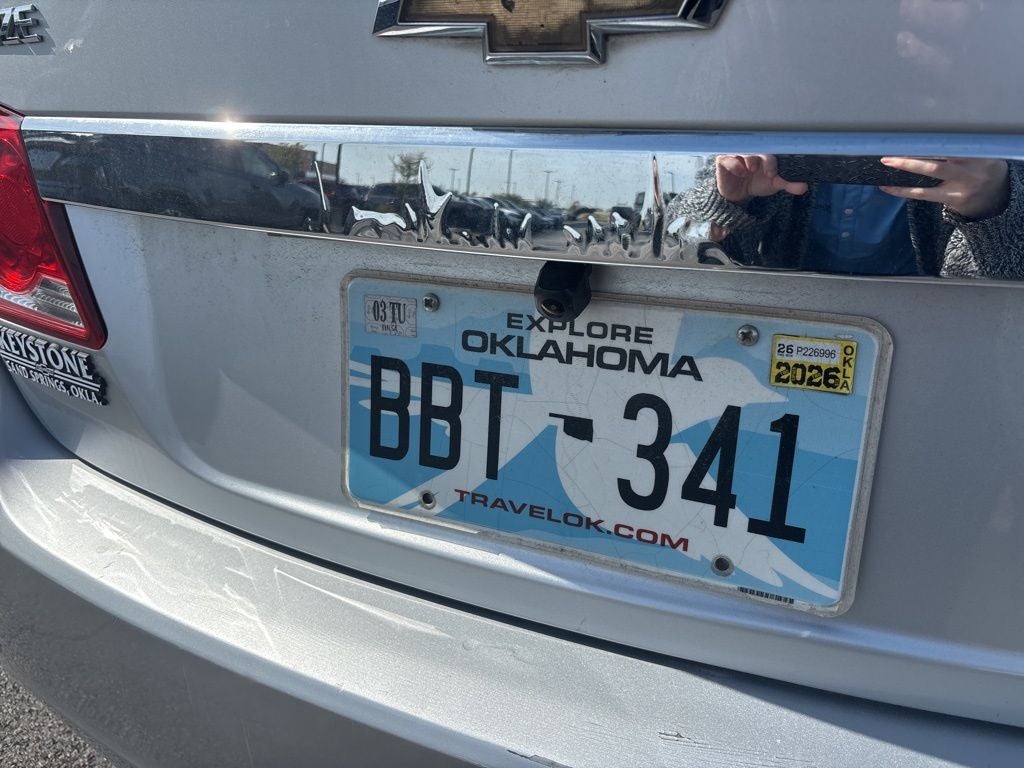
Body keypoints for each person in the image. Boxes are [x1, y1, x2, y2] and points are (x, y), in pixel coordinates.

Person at [666, 155, 1024, 278]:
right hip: (778, 324)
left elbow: (997, 318)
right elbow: (673, 251)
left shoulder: (982, 142)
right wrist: (729, 201)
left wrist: (993, 208)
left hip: (933, 341)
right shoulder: (769, 123)